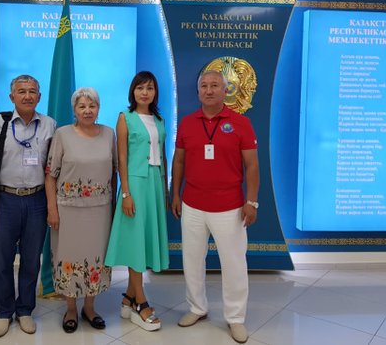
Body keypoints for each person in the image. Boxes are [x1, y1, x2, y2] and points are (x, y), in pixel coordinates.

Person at [171, 70, 259, 344]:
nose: (209, 90)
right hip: (193, 204)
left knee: (233, 264)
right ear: (198, 91)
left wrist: (251, 201)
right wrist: (175, 194)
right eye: (204, 86)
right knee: (192, 260)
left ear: (225, 90)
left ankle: (235, 318)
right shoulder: (187, 123)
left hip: (229, 207)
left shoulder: (241, 123)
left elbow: (252, 165)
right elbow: (179, 161)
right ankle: (197, 307)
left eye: (214, 85)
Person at [0, 75, 56, 338]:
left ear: (39, 96)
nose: (27, 96)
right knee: (3, 260)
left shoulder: (50, 125)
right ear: (12, 97)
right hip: (5, 200)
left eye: (32, 91)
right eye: (21, 91)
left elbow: (54, 167)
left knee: (31, 260)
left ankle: (25, 310)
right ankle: (3, 312)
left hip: (37, 200)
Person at [45, 87, 117, 333]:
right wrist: (52, 209)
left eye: (92, 106)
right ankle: (71, 309)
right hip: (68, 211)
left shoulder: (109, 134)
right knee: (69, 258)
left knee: (95, 257)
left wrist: (114, 207)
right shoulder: (62, 134)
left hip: (100, 210)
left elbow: (114, 172)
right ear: (74, 110)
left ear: (98, 108)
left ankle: (89, 307)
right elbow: (50, 176)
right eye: (82, 106)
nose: (87, 111)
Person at [105, 71, 169, 332]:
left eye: (150, 88)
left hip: (154, 183)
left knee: (144, 240)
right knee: (135, 243)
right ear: (133, 91)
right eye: (140, 88)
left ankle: (128, 298)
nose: (145, 92)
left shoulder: (159, 119)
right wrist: (126, 194)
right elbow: (121, 159)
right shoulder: (125, 118)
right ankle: (141, 302)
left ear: (155, 92)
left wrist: (165, 190)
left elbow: (163, 155)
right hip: (135, 184)